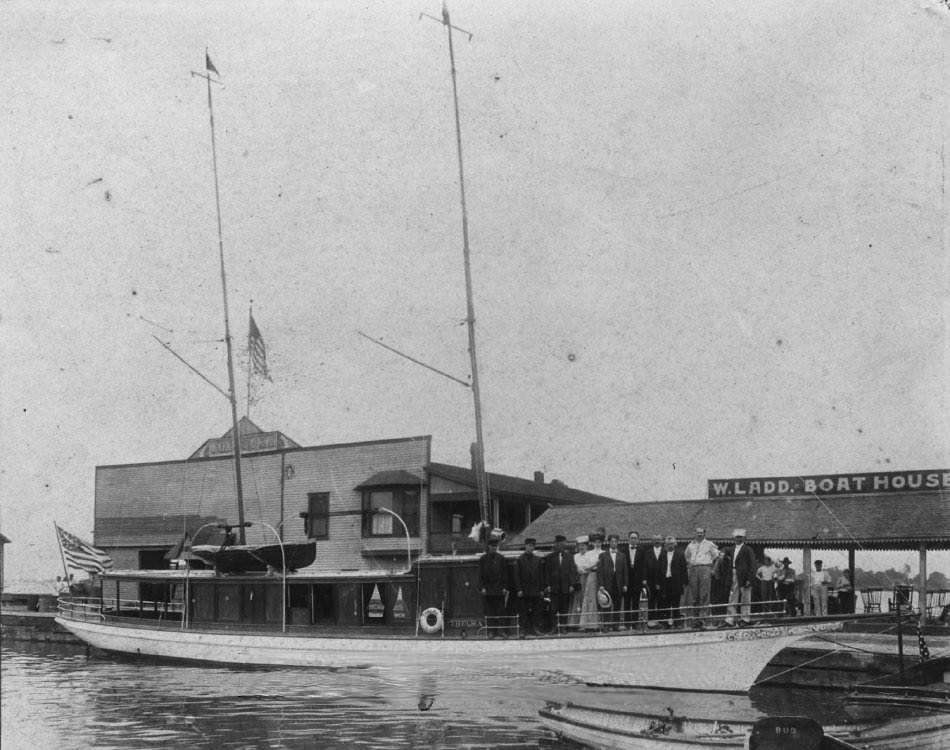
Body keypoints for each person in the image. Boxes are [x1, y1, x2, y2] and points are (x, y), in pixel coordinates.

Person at [684, 527, 719, 628]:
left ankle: (703, 619)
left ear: (704, 534)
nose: (699, 535)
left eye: (701, 533)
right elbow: (686, 558)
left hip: (705, 568)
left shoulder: (709, 544)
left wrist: (713, 570)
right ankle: (695, 619)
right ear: (694, 534)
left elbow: (717, 557)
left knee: (704, 594)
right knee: (694, 595)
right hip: (693, 569)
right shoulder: (690, 545)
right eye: (697, 533)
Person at [545, 534, 579, 632]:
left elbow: (573, 571)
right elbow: (547, 572)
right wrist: (548, 585)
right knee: (553, 609)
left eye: (563, 543)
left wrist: (572, 585)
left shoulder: (569, 557)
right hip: (554, 588)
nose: (562, 545)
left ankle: (563, 627)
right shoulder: (550, 557)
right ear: (556, 544)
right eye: (559, 543)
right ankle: (554, 627)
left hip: (565, 587)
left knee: (564, 608)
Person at [513, 537, 545, 637]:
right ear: (525, 546)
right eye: (529, 545)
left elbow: (541, 575)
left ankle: (535, 629)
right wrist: (519, 589)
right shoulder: (520, 560)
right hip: (524, 590)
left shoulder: (537, 560)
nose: (531, 548)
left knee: (536, 611)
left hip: (535, 590)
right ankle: (523, 630)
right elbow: (517, 576)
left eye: (533, 546)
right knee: (523, 612)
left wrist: (541, 589)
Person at [724, 529, 756, 627]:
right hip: (734, 573)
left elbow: (753, 565)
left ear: (744, 538)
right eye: (737, 537)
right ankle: (730, 619)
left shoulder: (748, 549)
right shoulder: (731, 549)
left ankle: (745, 619)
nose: (738, 539)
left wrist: (750, 579)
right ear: (734, 538)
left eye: (740, 537)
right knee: (732, 596)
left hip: (745, 576)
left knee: (745, 597)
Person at [597, 533, 629, 630]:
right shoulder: (603, 555)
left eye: (615, 541)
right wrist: (601, 585)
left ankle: (616, 625)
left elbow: (625, 571)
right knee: (606, 605)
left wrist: (625, 584)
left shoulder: (622, 555)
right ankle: (606, 625)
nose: (614, 543)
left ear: (618, 543)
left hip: (618, 583)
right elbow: (600, 571)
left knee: (617, 605)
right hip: (607, 584)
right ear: (609, 542)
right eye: (612, 541)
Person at [478, 537, 509, 638]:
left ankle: (501, 631)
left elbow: (505, 574)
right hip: (488, 590)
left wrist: (504, 587)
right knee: (490, 611)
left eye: (495, 546)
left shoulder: (501, 559)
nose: (493, 548)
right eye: (492, 546)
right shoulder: (483, 559)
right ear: (488, 547)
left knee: (501, 611)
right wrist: (482, 588)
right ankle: (491, 632)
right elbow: (480, 575)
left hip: (499, 590)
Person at [573, 535, 601, 631]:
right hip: (578, 579)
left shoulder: (590, 555)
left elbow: (588, 567)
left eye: (583, 546)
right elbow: (578, 568)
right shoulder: (575, 556)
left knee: (589, 599)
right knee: (578, 600)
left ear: (587, 546)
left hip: (589, 579)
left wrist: (586, 569)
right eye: (580, 546)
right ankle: (577, 623)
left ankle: (589, 623)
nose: (581, 548)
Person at [660, 535, 689, 627]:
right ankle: (667, 622)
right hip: (665, 581)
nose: (670, 546)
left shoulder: (680, 554)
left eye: (672, 544)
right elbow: (658, 569)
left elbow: (684, 569)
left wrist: (684, 582)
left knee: (676, 603)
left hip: (676, 582)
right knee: (666, 603)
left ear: (675, 544)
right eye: (668, 544)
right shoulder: (662, 554)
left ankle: (677, 622)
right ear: (665, 545)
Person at [624, 531, 647, 629]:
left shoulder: (642, 551)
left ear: (638, 540)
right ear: (628, 539)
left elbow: (644, 566)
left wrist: (644, 579)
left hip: (637, 580)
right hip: (627, 580)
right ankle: (627, 623)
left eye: (635, 538)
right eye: (631, 538)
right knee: (627, 602)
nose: (633, 540)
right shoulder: (623, 550)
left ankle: (635, 623)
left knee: (635, 602)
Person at [643, 534, 667, 627]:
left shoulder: (665, 551)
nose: (657, 541)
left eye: (659, 540)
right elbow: (644, 566)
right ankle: (651, 622)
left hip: (663, 581)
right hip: (650, 581)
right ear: (652, 541)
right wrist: (644, 579)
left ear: (662, 541)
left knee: (662, 601)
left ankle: (661, 621)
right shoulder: (648, 552)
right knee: (651, 601)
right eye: (655, 540)